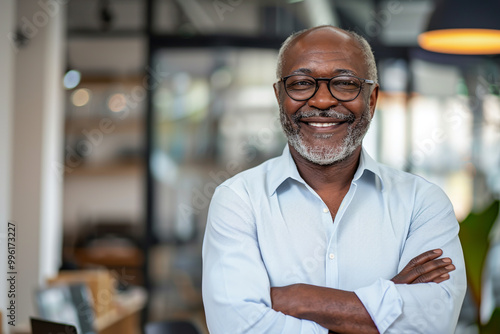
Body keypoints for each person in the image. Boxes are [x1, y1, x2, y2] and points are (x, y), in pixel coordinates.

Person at [202, 25, 466, 333]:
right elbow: (237, 327)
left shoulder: (423, 204)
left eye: (344, 83)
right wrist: (382, 304)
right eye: (302, 83)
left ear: (372, 99)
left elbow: (433, 322)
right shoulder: (238, 200)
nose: (323, 101)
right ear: (279, 96)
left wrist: (299, 298)